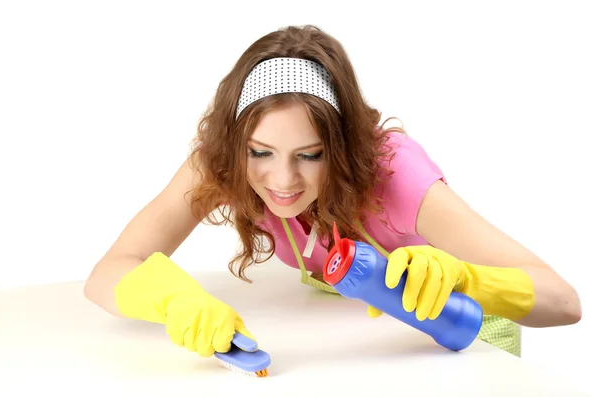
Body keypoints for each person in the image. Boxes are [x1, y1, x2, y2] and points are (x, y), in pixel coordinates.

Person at [84, 24, 581, 359]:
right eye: (261, 152)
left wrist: (471, 281)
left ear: (341, 148)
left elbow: (564, 302)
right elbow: (109, 270)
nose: (282, 181)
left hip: (464, 349)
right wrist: (171, 301)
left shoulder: (394, 176)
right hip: (362, 353)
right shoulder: (222, 166)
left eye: (310, 155)